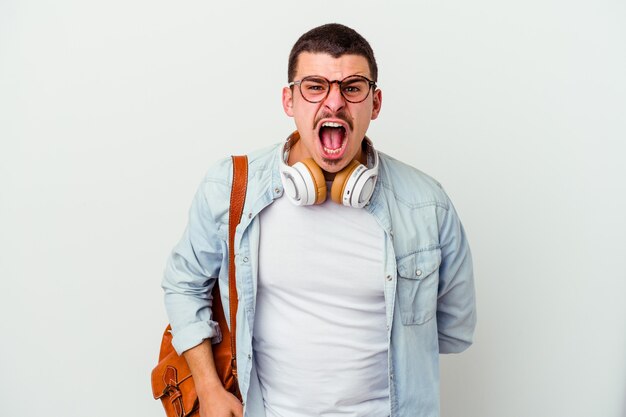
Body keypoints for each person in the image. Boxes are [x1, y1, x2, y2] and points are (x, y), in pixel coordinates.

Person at [162, 23, 476, 417]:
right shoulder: (229, 188)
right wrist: (208, 388)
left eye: (352, 87)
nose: (333, 103)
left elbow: (454, 331)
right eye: (314, 86)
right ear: (288, 100)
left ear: (375, 103)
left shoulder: (428, 205)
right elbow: (183, 285)